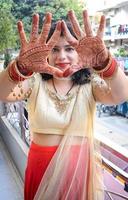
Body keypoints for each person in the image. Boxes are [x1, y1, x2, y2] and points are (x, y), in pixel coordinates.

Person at [0, 10, 128, 200]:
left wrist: (105, 62)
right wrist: (20, 68)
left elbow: (121, 94)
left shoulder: (91, 85)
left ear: (80, 52)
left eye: (69, 48)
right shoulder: (35, 83)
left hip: (79, 172)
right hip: (41, 168)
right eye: (54, 49)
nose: (62, 56)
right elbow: (3, 93)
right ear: (47, 54)